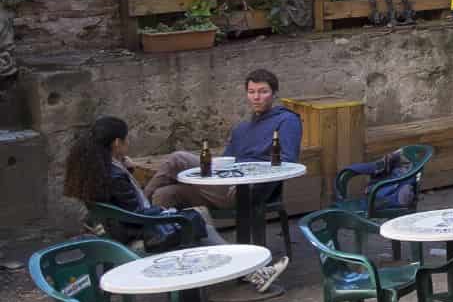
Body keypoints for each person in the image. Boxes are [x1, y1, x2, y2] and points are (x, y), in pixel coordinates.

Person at [63, 118, 292, 293]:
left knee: (192, 211)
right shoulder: (115, 175)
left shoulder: (96, 169)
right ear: (116, 143)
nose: (128, 144)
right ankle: (251, 273)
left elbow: (124, 204)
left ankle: (246, 272)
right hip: (135, 231)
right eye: (126, 140)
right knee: (196, 218)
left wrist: (128, 168)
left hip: (119, 229)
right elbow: (137, 213)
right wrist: (165, 212)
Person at [145, 70, 299, 276]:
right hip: (225, 185)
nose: (256, 97)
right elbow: (226, 162)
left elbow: (287, 160)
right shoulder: (242, 129)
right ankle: (176, 263)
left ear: (274, 93)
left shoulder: (287, 120)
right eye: (252, 92)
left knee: (178, 159)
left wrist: (253, 174)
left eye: (263, 91)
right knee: (164, 195)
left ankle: (140, 211)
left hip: (252, 190)